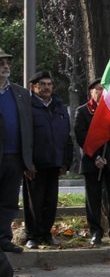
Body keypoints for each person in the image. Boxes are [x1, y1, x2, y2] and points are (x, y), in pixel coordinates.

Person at [73, 81, 110, 245]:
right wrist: (96, 156)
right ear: (91, 92)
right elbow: (81, 136)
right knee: (93, 199)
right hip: (93, 161)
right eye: (99, 89)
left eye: (105, 89)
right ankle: (95, 232)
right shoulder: (82, 111)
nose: (102, 92)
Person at [24, 70, 72, 249]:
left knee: (50, 202)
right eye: (42, 84)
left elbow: (66, 135)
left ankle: (46, 234)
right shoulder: (27, 106)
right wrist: (27, 162)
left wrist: (66, 161)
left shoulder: (59, 106)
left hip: (55, 162)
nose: (46, 87)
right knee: (33, 202)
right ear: (33, 87)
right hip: (35, 165)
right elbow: (25, 137)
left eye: (49, 84)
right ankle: (32, 236)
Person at [0, 50, 34, 252]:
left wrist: (28, 160)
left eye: (7, 63)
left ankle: (3, 239)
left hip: (14, 156)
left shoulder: (21, 93)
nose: (5, 66)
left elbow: (28, 126)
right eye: (1, 63)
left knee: (9, 201)